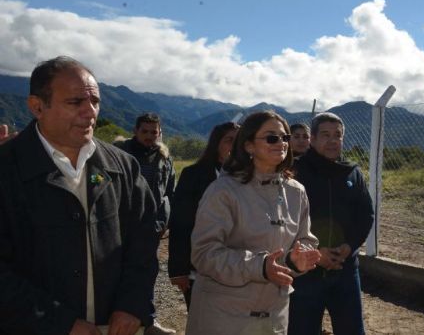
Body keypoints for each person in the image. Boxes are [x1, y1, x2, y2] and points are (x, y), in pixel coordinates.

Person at [0, 56, 159, 335]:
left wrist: (132, 304)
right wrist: (60, 323)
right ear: (37, 106)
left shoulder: (122, 166)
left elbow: (142, 244)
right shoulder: (7, 170)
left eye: (95, 102)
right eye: (75, 103)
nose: (90, 112)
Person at [186, 110, 321, 335]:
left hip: (274, 316)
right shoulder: (223, 191)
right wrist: (259, 266)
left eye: (285, 137)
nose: (281, 143)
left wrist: (298, 259)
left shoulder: (296, 192)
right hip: (224, 317)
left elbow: (305, 238)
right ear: (249, 145)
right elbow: (204, 253)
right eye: (271, 137)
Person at [288, 112, 374, 335]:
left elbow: (365, 215)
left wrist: (349, 247)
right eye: (325, 135)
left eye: (338, 135)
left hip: (345, 269)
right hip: (305, 273)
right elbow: (285, 220)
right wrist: (315, 254)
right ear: (313, 139)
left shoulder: (352, 173)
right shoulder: (293, 172)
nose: (333, 140)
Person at [115, 113, 177, 335]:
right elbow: (98, 181)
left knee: (147, 271)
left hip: (151, 225)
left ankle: (148, 321)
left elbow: (169, 191)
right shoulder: (119, 153)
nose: (151, 136)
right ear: (135, 131)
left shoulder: (164, 157)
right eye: (145, 131)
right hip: (120, 224)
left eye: (155, 132)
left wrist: (166, 220)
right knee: (116, 271)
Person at [168, 121, 239, 309]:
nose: (235, 146)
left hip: (240, 268)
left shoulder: (252, 179)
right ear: (216, 144)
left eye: (240, 141)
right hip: (199, 267)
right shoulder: (193, 175)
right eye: (229, 140)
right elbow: (180, 223)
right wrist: (179, 269)